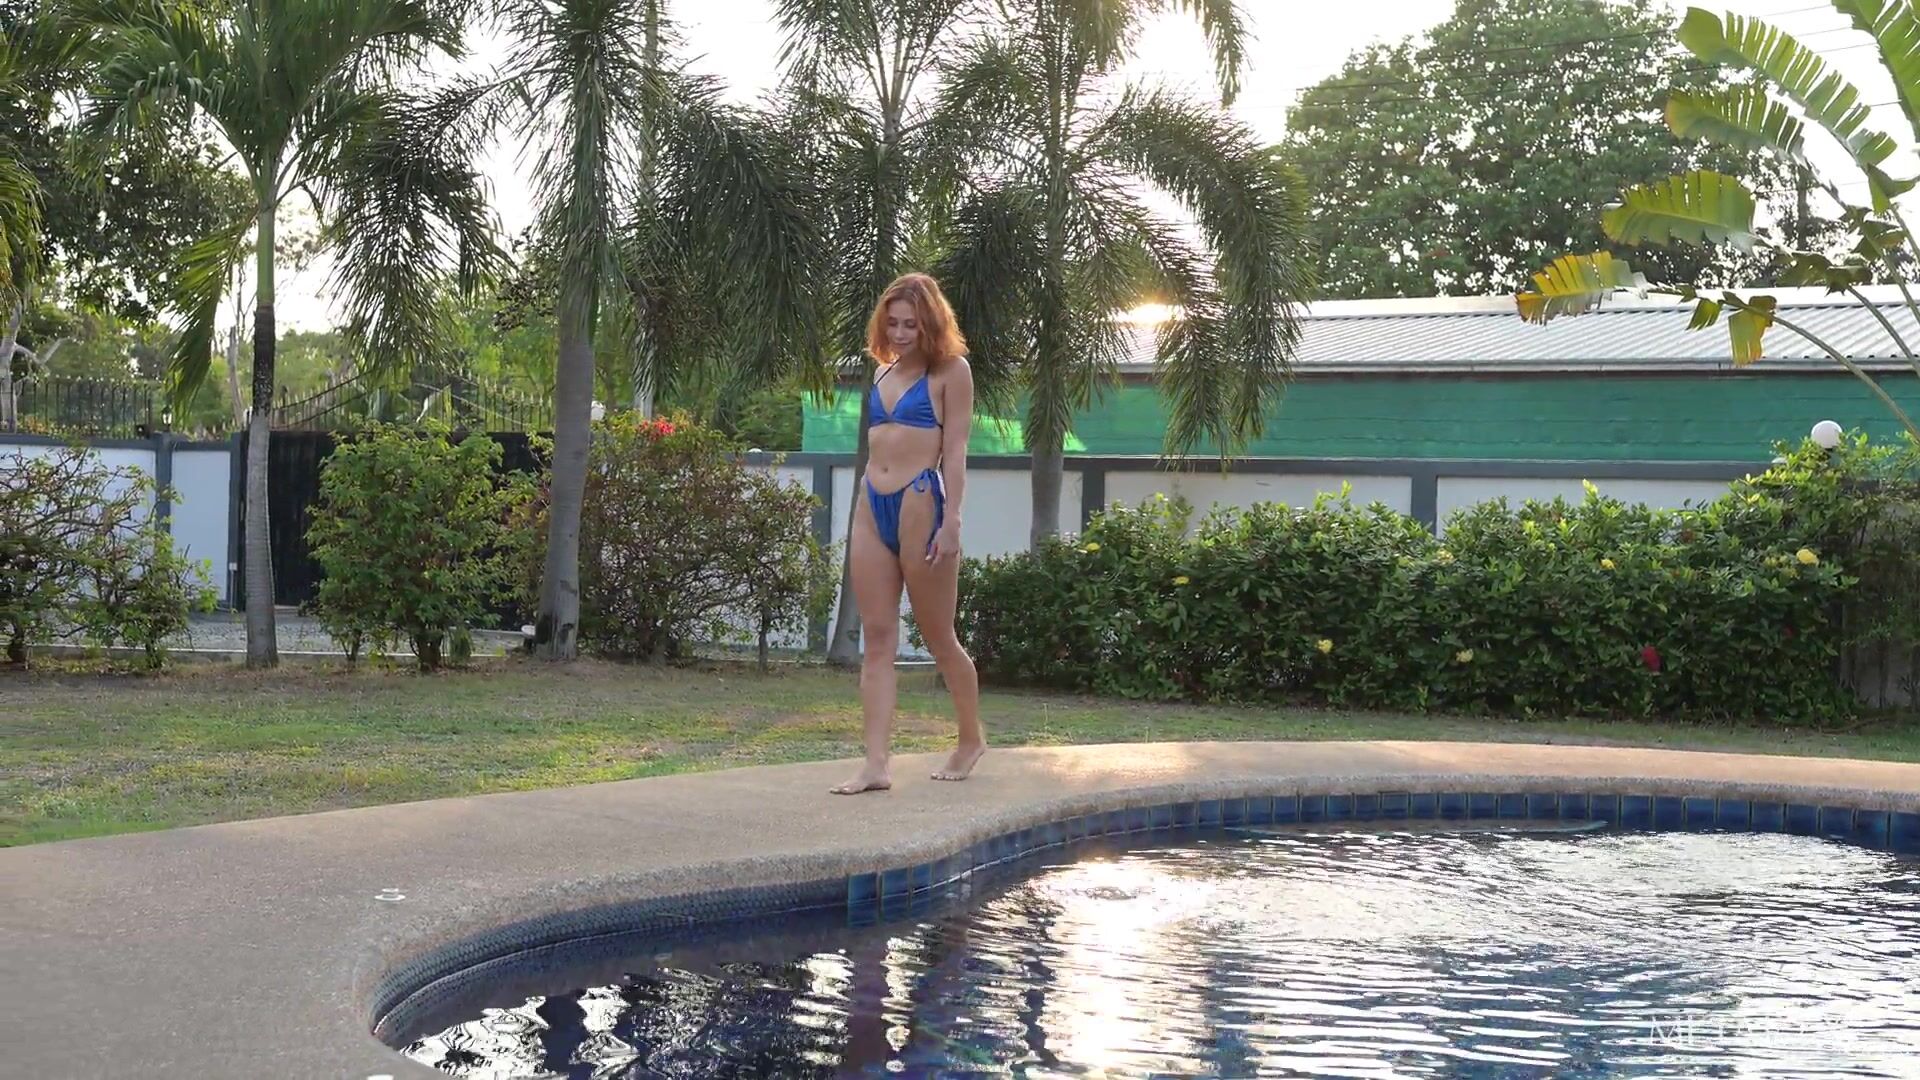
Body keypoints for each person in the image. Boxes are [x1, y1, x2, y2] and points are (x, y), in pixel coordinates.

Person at [831, 273, 985, 795]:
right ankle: (876, 764)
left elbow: (956, 452)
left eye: (910, 325)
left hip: (921, 505)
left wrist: (952, 520)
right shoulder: (882, 372)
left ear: (930, 325)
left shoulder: (951, 372)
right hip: (870, 507)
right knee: (877, 638)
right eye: (892, 323)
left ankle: (970, 739)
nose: (899, 333)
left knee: (940, 638)